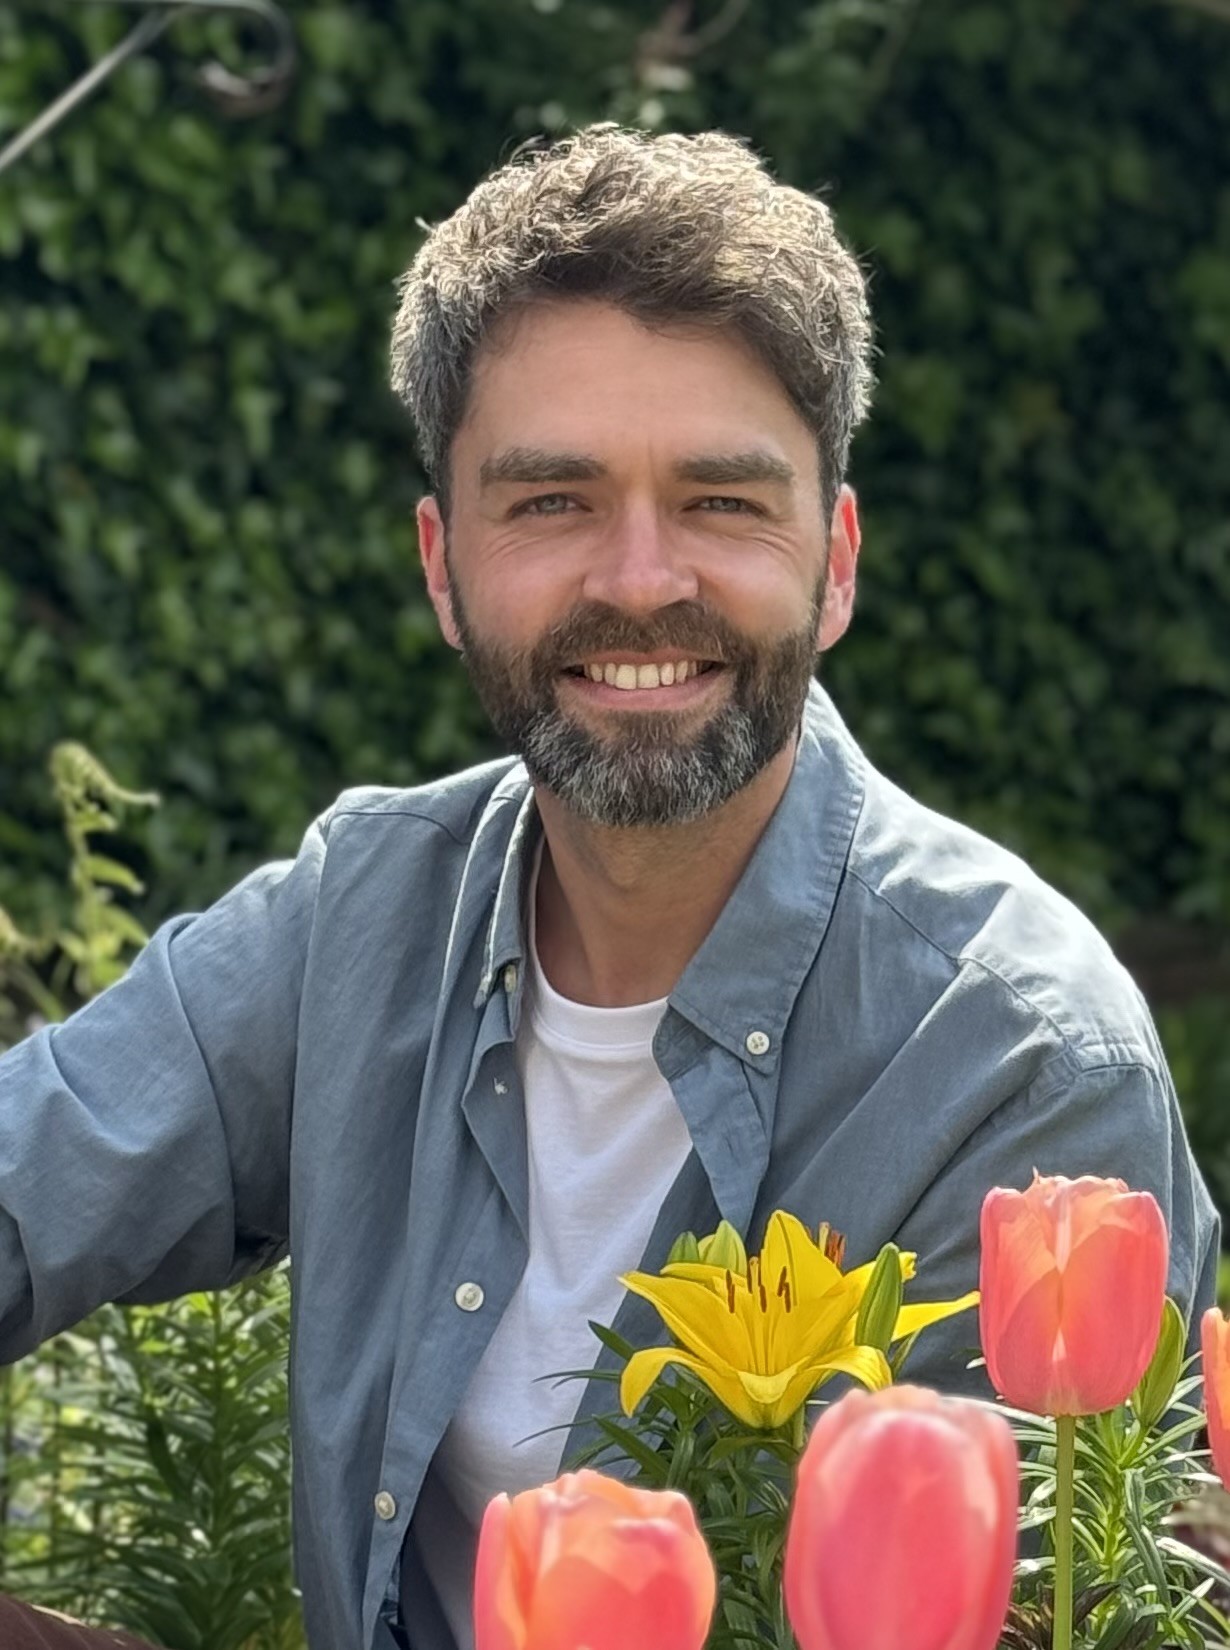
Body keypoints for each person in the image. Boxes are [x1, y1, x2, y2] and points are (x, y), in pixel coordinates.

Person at [0, 123, 1219, 1650]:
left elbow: (1079, 1600)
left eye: (720, 500)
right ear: (442, 566)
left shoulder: (1015, 1065)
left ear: (833, 559)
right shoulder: (358, 917)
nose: (640, 579)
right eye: (552, 500)